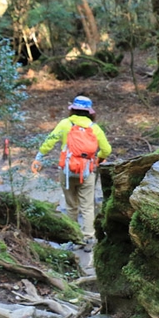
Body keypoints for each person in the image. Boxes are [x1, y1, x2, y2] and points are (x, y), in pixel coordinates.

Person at [31, 95, 112, 247]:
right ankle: (88, 238)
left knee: (71, 205)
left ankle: (73, 237)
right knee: (87, 206)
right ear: (90, 112)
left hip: (67, 171)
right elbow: (106, 149)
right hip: (87, 171)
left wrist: (38, 157)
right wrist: (98, 159)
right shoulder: (94, 128)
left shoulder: (65, 124)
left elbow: (50, 141)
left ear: (73, 109)